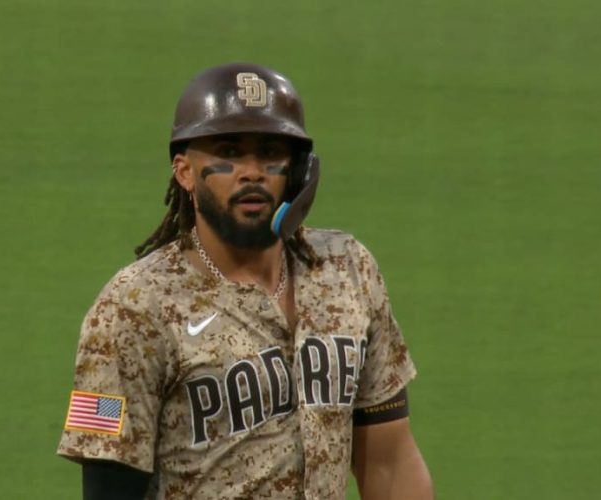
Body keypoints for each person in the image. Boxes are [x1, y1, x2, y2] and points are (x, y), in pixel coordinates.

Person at [57, 62, 434, 500]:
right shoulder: (132, 308)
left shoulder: (347, 270)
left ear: (297, 171)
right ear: (184, 172)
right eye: (229, 152)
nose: (252, 171)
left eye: (270, 153)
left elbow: (390, 462)